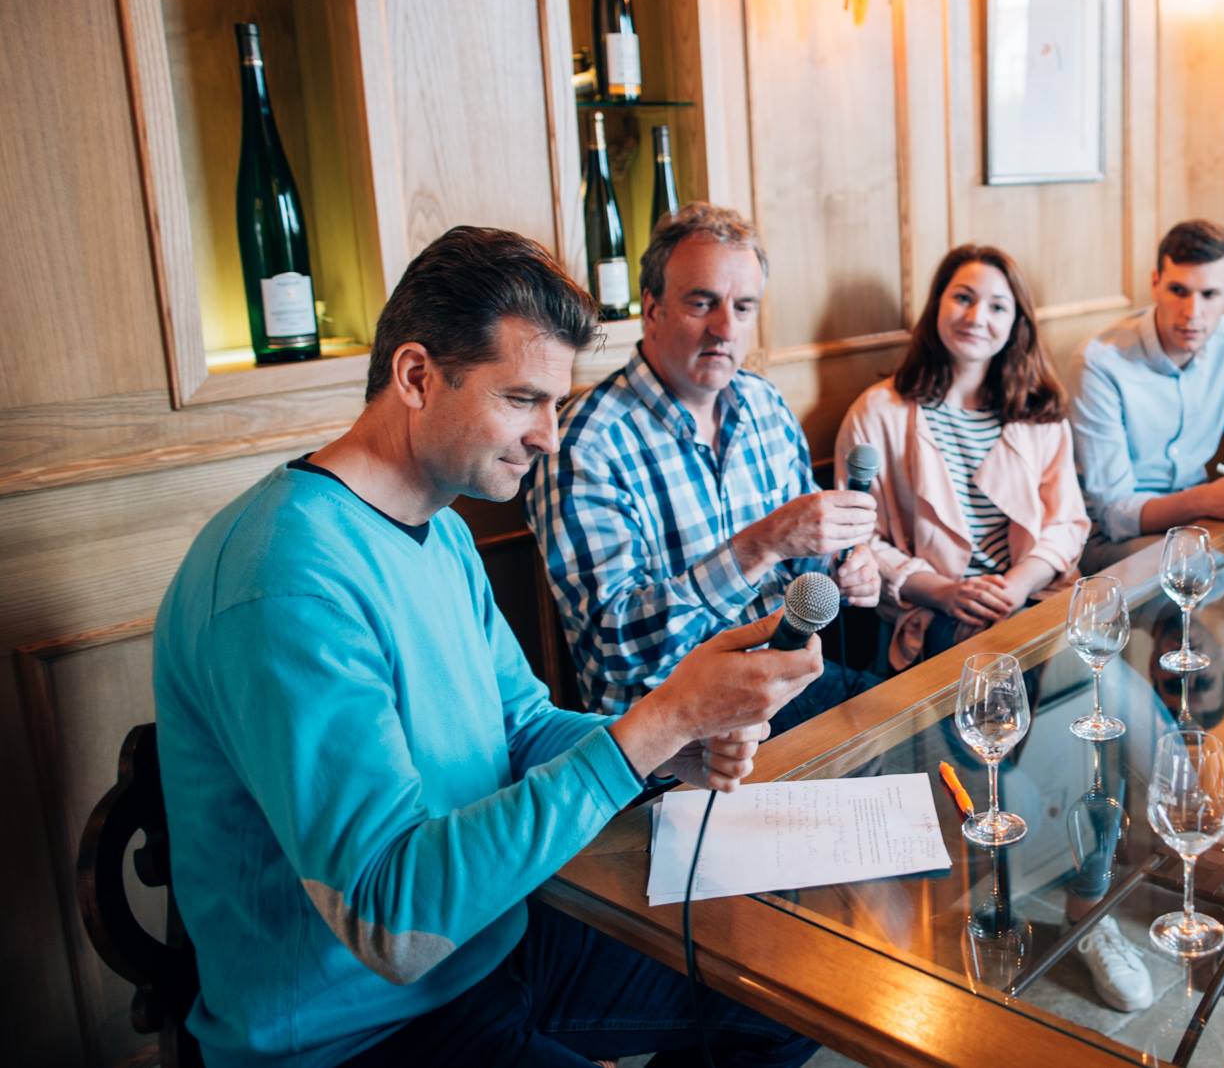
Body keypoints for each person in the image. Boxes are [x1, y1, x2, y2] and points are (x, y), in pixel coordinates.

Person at [152, 227, 819, 1068]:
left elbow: (523, 727)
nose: (549, 436)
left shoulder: (439, 527)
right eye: (522, 399)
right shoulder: (285, 581)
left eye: (555, 404)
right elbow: (393, 924)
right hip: (357, 1030)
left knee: (786, 989)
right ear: (417, 376)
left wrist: (670, 744)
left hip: (496, 941)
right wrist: (655, 727)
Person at [527, 204, 881, 727]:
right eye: (702, 303)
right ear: (652, 309)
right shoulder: (585, 443)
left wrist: (847, 568)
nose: (725, 328)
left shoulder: (764, 403)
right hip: (674, 725)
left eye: (744, 307)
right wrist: (758, 546)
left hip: (788, 681)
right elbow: (615, 649)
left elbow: (805, 559)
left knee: (933, 734)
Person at [835, 245, 1089, 669]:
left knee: (1107, 680)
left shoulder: (1038, 410)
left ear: (1016, 323)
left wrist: (1014, 588)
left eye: (997, 307)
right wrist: (943, 593)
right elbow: (857, 541)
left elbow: (1067, 523)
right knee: (994, 672)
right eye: (963, 298)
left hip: (1033, 594)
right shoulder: (877, 412)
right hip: (931, 609)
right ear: (937, 304)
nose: (976, 317)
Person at [1069, 220, 1224, 570]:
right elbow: (1115, 514)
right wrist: (1207, 500)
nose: (1192, 313)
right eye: (1179, 291)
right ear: (1155, 284)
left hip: (1201, 526)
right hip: (1112, 539)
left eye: (1209, 295)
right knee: (1208, 568)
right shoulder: (1099, 363)